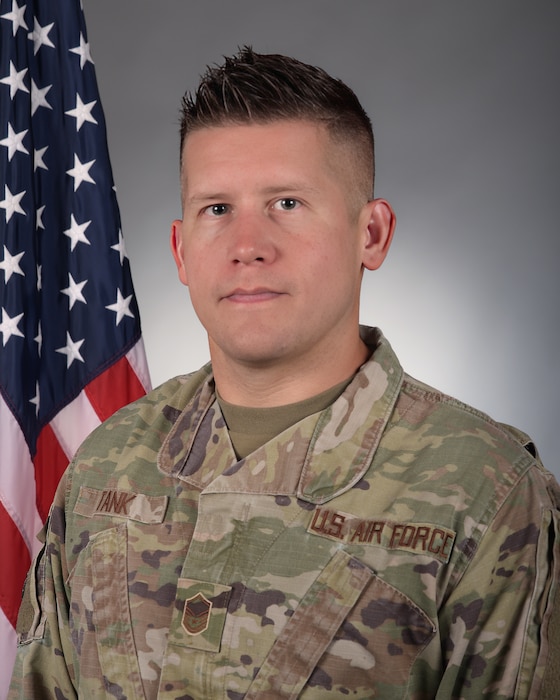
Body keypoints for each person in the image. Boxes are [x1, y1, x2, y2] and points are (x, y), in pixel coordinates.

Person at [9, 47, 559, 699]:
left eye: (288, 203)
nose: (249, 246)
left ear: (372, 234)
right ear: (181, 250)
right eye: (218, 209)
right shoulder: (105, 465)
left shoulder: (487, 494)